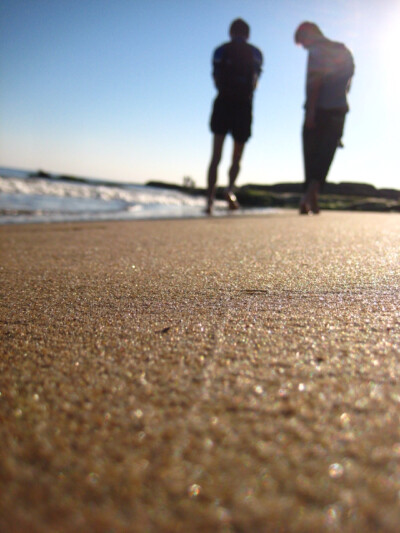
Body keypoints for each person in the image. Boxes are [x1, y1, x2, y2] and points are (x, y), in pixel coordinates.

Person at [295, 22, 355, 214]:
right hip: (338, 108)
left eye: (302, 43)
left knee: (312, 155)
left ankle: (307, 197)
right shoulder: (344, 50)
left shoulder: (317, 51)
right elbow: (348, 82)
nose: (303, 47)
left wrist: (311, 110)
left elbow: (315, 82)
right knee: (326, 154)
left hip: (319, 109)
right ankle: (313, 199)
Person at [206, 18, 263, 214]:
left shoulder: (220, 50)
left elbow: (215, 78)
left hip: (223, 103)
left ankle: (210, 201)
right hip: (243, 106)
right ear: (247, 34)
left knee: (216, 156)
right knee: (237, 157)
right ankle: (230, 190)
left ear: (230, 32)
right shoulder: (256, 53)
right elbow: (256, 81)